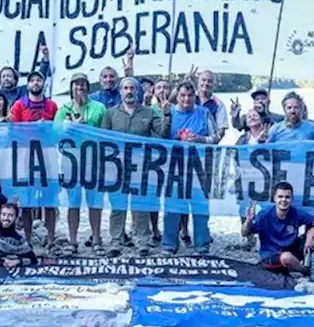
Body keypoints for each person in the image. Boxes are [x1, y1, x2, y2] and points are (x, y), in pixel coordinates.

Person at [100, 76, 164, 254]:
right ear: (120, 92)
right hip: (117, 167)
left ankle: (142, 240)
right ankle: (116, 240)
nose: (129, 91)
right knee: (117, 205)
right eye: (125, 88)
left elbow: (162, 135)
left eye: (132, 88)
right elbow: (103, 140)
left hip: (141, 166)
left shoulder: (150, 113)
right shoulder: (110, 113)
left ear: (138, 91)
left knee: (141, 204)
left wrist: (165, 114)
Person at [55, 73, 107, 252]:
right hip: (71, 162)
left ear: (88, 87)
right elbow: (55, 134)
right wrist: (72, 128)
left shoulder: (99, 107)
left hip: (93, 161)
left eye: (83, 85)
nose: (80, 88)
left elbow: (105, 134)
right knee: (74, 202)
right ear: (71, 87)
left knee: (94, 202)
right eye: (76, 85)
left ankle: (97, 239)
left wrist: (86, 129)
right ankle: (72, 240)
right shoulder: (63, 109)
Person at [163, 81, 215, 255]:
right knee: (173, 207)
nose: (186, 99)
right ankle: (169, 244)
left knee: (200, 207)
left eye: (190, 95)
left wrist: (199, 139)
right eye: (183, 95)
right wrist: (175, 138)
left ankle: (202, 245)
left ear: (195, 96)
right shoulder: (169, 114)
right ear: (177, 97)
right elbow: (160, 138)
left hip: (199, 167)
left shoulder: (205, 113)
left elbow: (215, 138)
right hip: (175, 166)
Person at [10, 70, 58, 245]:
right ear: (28, 84)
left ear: (43, 83)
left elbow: (57, 130)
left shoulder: (52, 105)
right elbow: (12, 131)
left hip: (47, 157)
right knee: (27, 201)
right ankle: (28, 239)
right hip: (25, 158)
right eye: (33, 81)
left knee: (50, 199)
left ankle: (51, 238)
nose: (36, 83)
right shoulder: (18, 105)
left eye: (39, 80)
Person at [241, 182, 314, 271]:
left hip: (290, 250)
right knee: (286, 257)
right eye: (280, 196)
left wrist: (309, 240)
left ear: (292, 199)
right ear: (274, 198)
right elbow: (244, 233)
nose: (284, 200)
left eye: (287, 197)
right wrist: (248, 221)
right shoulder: (264, 215)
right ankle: (304, 271)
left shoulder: (296, 213)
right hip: (270, 256)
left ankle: (298, 265)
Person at [194, 70, 229, 144]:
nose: (206, 83)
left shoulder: (219, 104)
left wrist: (205, 140)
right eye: (203, 80)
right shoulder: (189, 97)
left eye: (209, 81)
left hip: (208, 146)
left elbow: (221, 131)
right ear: (198, 81)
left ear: (214, 84)